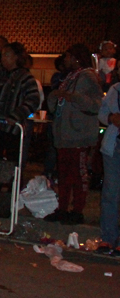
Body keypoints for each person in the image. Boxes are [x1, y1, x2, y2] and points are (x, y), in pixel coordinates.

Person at [44, 44, 102, 224]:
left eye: (68, 56)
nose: (65, 60)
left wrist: (73, 97)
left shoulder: (88, 77)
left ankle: (77, 210)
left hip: (79, 134)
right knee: (64, 174)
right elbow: (57, 100)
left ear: (77, 58)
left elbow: (96, 104)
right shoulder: (68, 77)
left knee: (78, 174)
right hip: (64, 133)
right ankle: (62, 208)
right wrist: (55, 97)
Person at [0, 41, 39, 164]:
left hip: (13, 128)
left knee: (12, 162)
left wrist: (17, 115)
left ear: (16, 57)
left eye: (7, 55)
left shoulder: (25, 78)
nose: (3, 58)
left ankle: (13, 182)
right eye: (2, 55)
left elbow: (33, 100)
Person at [97, 64, 120, 256]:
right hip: (113, 146)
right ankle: (108, 238)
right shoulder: (115, 89)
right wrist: (112, 117)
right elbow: (102, 113)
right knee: (110, 193)